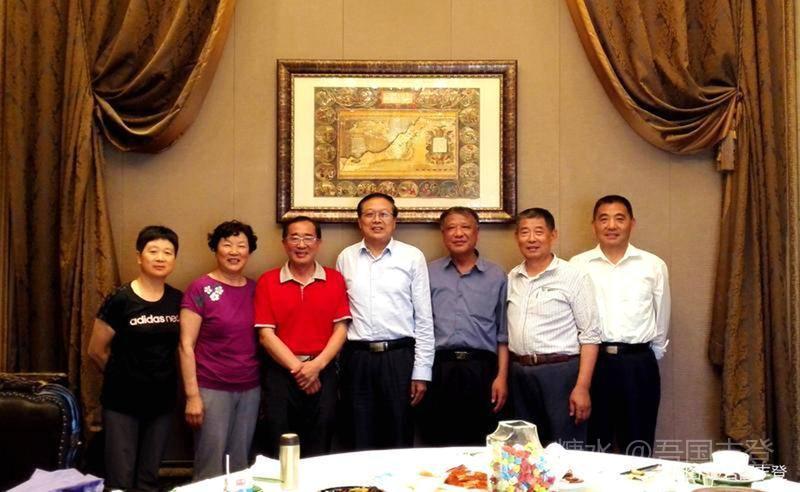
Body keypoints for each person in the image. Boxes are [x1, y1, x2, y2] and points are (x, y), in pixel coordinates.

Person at [570, 195, 670, 456]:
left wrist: (648, 356)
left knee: (638, 443)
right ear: (594, 224)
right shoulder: (577, 266)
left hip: (638, 364)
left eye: (619, 218)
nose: (611, 225)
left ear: (632, 223)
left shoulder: (653, 265)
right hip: (594, 363)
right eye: (604, 219)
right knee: (594, 444)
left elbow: (662, 316)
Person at [335, 192, 434, 450]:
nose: (376, 220)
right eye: (369, 214)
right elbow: (340, 315)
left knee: (398, 435)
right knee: (357, 436)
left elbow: (424, 319)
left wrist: (421, 371)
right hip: (357, 358)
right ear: (360, 222)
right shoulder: (346, 258)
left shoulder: (412, 257)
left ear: (394, 220)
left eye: (383, 214)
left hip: (399, 358)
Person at [87, 225, 183, 492]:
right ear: (139, 256)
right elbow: (95, 350)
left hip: (162, 400)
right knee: (121, 478)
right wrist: (125, 375)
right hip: (122, 402)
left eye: (168, 252)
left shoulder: (177, 299)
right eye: (153, 251)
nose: (161, 258)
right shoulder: (120, 299)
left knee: (149, 476)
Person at [254, 216, 351, 457]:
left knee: (321, 438)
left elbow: (341, 329)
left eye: (308, 238)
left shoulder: (334, 279)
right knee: (279, 440)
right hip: (280, 372)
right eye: (294, 238)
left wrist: (316, 366)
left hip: (323, 371)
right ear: (284, 243)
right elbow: (266, 335)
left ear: (318, 243)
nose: (301, 244)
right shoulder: (268, 281)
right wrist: (300, 370)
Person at [506, 208, 601, 446]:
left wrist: (582, 387)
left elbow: (590, 335)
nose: (531, 239)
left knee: (565, 449)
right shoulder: (512, 278)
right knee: (525, 450)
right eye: (525, 232)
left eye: (539, 232)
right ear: (517, 237)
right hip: (520, 374)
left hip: (561, 373)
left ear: (553, 235)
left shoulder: (573, 276)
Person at [179, 220, 261, 480]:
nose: (234, 251)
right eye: (227, 244)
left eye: (241, 245)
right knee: (210, 465)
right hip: (211, 388)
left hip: (250, 388)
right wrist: (192, 396)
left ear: (249, 251)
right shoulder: (200, 288)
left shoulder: (256, 289)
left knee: (240, 465)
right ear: (215, 248)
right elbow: (186, 345)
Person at [422, 206, 509, 446]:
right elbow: (420, 327)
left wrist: (501, 377)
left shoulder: (496, 275)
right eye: (451, 228)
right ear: (443, 234)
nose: (458, 233)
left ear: (477, 232)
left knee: (480, 441)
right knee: (438, 440)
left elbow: (503, 334)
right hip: (440, 368)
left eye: (465, 227)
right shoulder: (429, 273)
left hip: (482, 370)